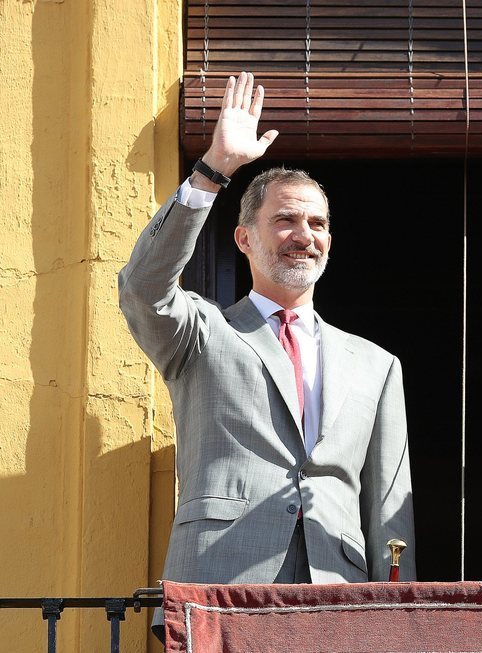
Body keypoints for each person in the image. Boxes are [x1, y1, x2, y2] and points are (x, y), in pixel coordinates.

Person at [119, 73, 415, 633]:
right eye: (285, 219)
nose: (304, 234)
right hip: (221, 591)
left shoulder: (376, 365)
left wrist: (394, 615)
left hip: (339, 596)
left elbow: (388, 507)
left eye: (317, 223)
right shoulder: (202, 334)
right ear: (244, 239)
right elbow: (142, 287)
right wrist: (213, 172)